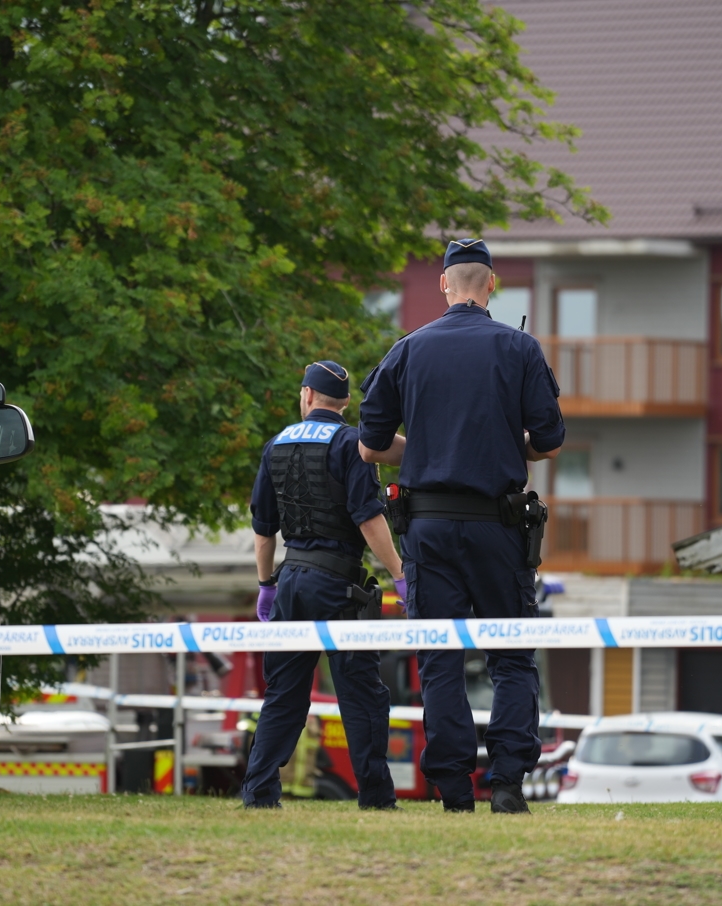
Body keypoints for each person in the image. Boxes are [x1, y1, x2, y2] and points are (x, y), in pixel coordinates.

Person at [357, 238, 564, 814]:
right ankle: (506, 785)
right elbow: (548, 442)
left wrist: (424, 450)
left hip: (428, 530)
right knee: (512, 656)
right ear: (491, 285)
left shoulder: (406, 351)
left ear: (444, 286)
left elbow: (371, 447)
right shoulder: (519, 348)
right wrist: (502, 445)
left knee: (440, 659)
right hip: (499, 528)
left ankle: (452, 791)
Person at [240, 360, 409, 809]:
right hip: (339, 585)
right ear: (346, 402)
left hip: (291, 580)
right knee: (360, 695)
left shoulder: (275, 444)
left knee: (284, 694)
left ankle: (258, 793)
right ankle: (375, 798)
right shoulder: (352, 443)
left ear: (307, 396)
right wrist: (399, 573)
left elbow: (263, 530)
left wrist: (266, 585)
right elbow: (368, 518)